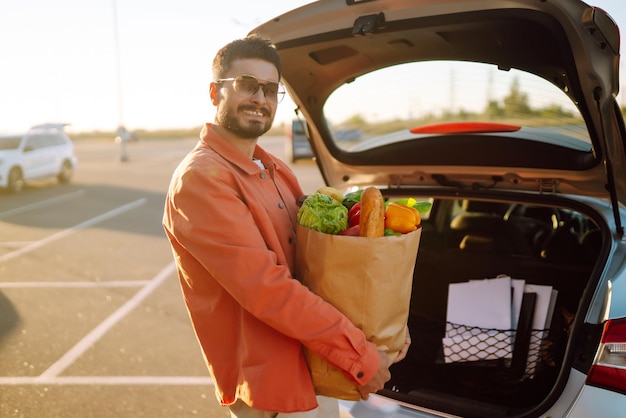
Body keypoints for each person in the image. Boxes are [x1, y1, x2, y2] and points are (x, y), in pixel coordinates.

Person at [162, 35, 410, 417]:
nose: (260, 98)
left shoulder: (275, 170)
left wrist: (383, 326)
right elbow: (269, 290)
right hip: (272, 393)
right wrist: (359, 354)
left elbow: (317, 267)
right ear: (215, 93)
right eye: (246, 84)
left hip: (314, 367)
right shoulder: (203, 179)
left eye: (269, 89)